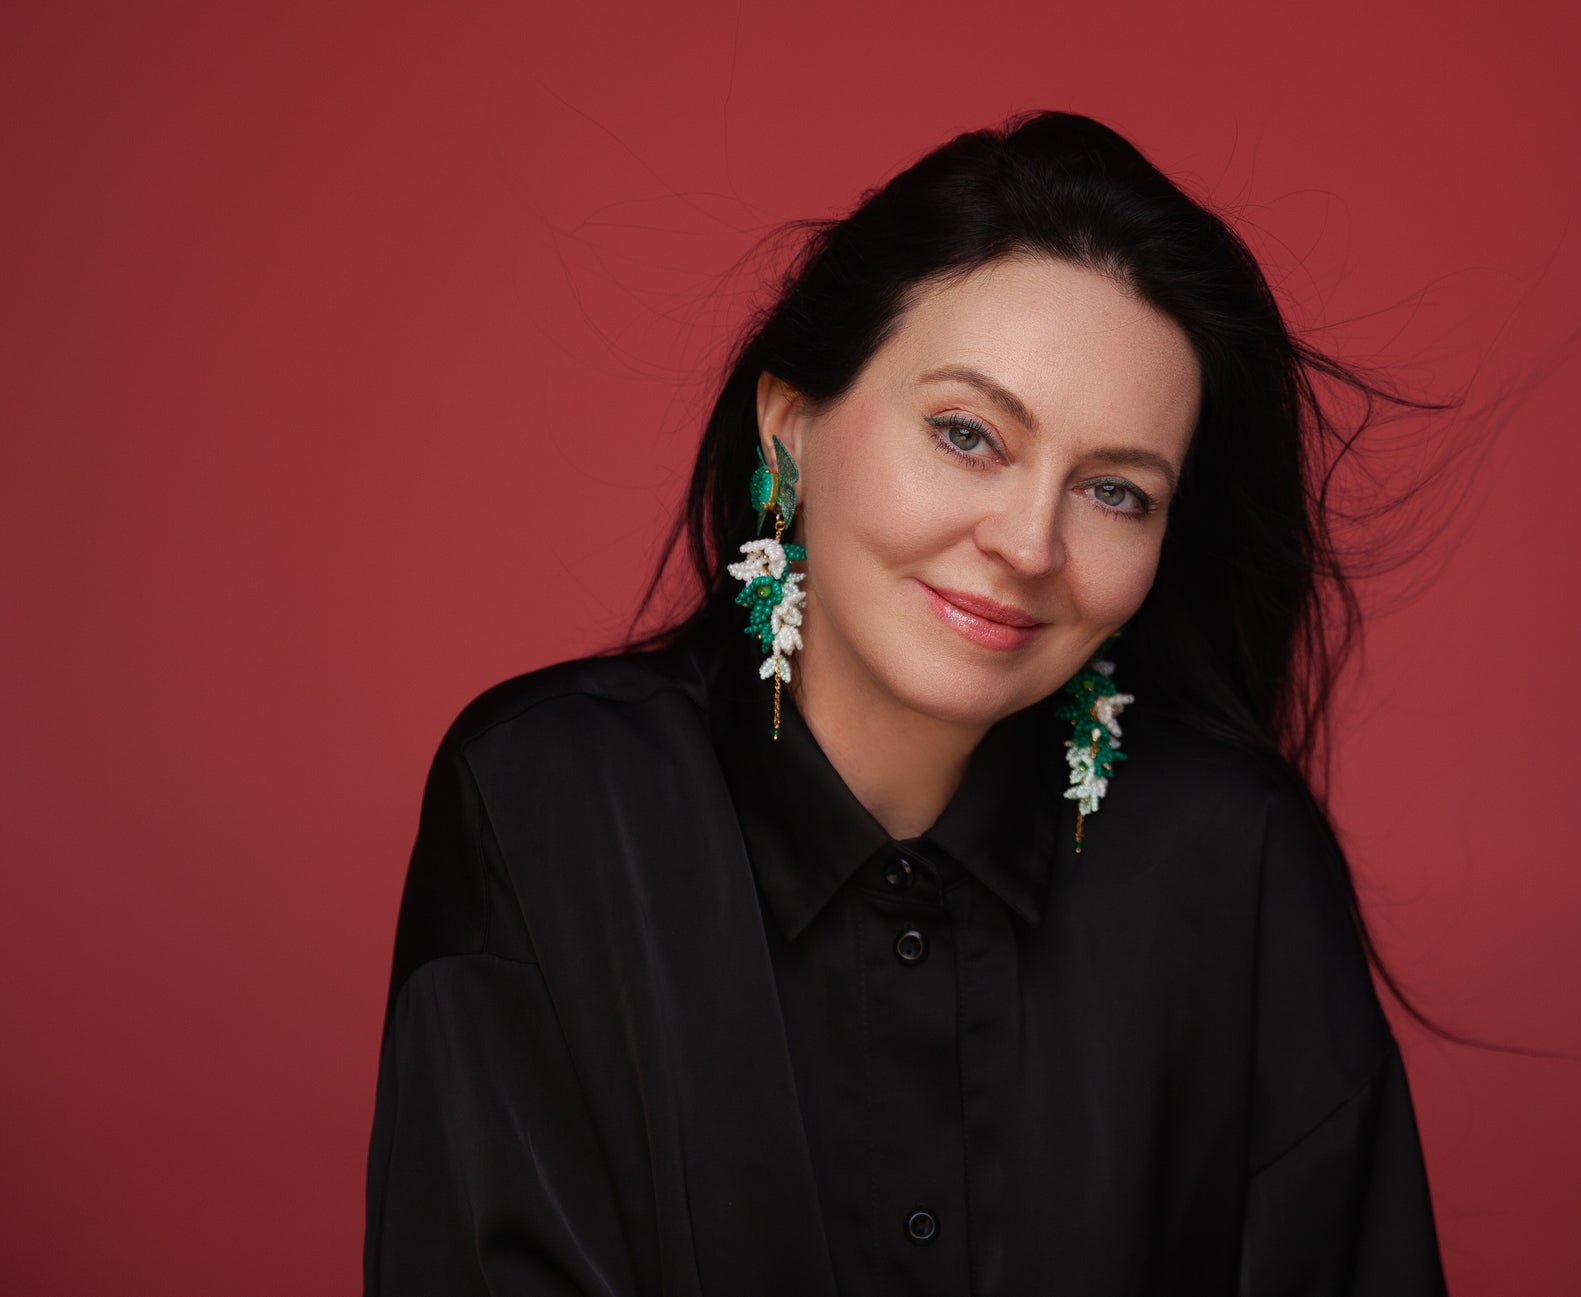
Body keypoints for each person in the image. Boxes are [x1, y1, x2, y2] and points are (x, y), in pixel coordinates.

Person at [363, 109, 1448, 1294]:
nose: (1028, 543)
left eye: (1114, 492)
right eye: (967, 434)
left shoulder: (1234, 853)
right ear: (789, 427)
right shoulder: (550, 804)